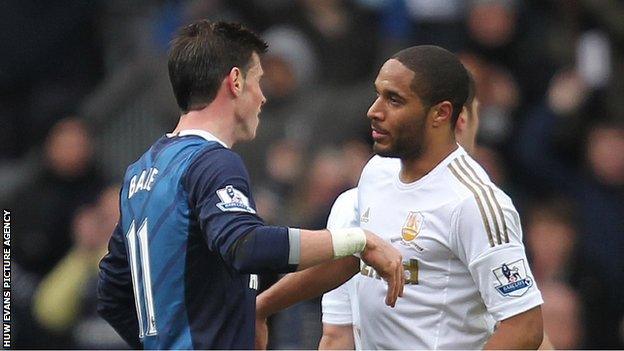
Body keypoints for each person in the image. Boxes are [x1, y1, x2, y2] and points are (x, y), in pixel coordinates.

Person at [96, 20, 404, 350]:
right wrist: (358, 240)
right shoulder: (212, 162)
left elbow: (113, 293)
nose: (263, 97)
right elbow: (246, 245)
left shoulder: (142, 170)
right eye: (259, 80)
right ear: (236, 81)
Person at [256, 45, 544, 350]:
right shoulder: (377, 172)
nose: (374, 111)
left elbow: (524, 326)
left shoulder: (473, 202)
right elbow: (352, 261)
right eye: (378, 94)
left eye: (394, 100)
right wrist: (262, 307)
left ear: (441, 113)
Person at [319, 75, 480, 350]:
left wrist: (262, 306)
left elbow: (522, 322)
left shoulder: (482, 208)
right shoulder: (360, 198)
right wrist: (264, 306)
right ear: (462, 119)